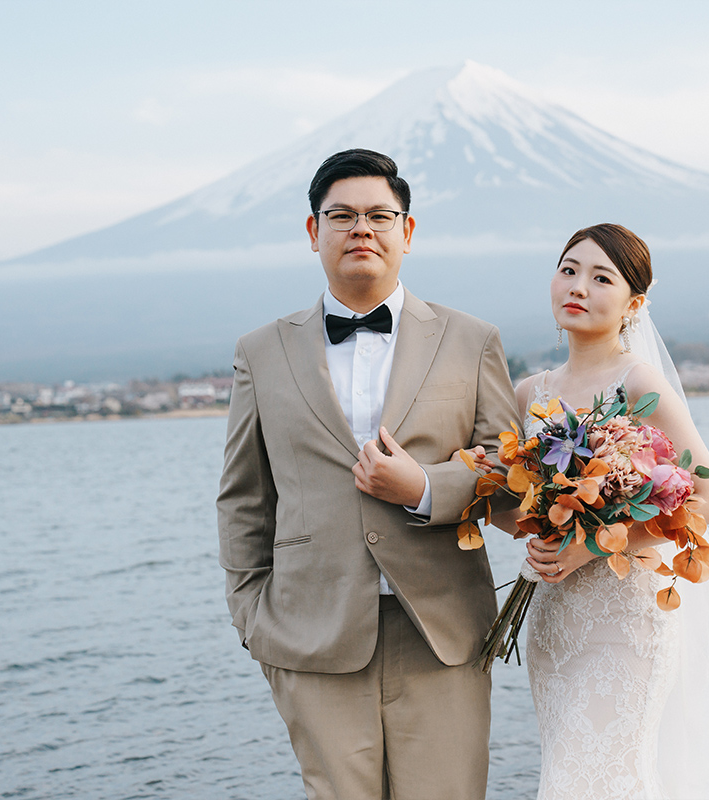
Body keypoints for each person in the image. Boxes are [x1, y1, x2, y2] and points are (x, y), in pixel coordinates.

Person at [216, 148, 518, 800]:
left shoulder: (473, 340)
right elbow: (244, 497)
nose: (362, 230)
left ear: (407, 233)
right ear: (312, 231)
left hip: (441, 631)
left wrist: (427, 489)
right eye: (342, 216)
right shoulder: (260, 352)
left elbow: (512, 475)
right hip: (311, 635)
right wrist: (251, 618)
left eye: (380, 215)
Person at [478, 224, 709, 799]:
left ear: (633, 304)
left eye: (600, 277)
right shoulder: (529, 393)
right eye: (568, 270)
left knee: (610, 776)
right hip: (555, 620)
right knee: (565, 771)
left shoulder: (638, 383)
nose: (578, 285)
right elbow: (506, 502)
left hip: (624, 619)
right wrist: (529, 528)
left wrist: (590, 543)